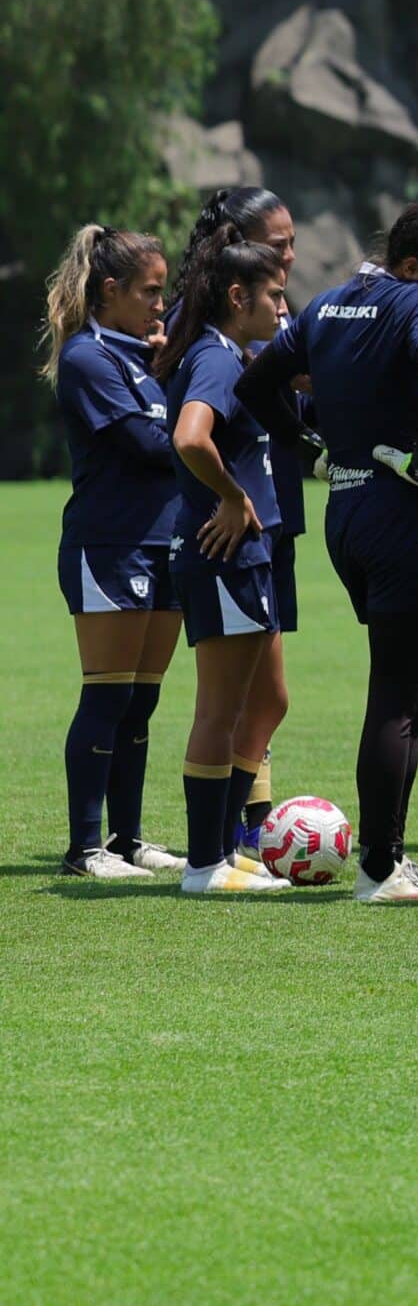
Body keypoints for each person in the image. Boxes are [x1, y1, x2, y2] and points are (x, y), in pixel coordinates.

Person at [245, 188, 418, 903]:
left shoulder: (325, 305)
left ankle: (389, 857)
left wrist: (309, 449)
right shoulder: (417, 302)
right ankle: (380, 868)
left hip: (347, 512)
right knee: (397, 694)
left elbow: (258, 382)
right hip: (400, 515)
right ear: (416, 263)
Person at [44, 225, 187, 880]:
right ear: (111, 290)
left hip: (163, 544)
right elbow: (153, 449)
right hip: (110, 546)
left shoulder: (138, 356)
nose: (161, 305)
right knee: (105, 697)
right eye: (151, 292)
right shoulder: (88, 358)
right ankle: (84, 848)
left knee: (141, 701)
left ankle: (127, 840)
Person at [158, 239, 293, 895]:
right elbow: (190, 436)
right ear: (238, 298)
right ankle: (204, 864)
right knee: (220, 707)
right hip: (224, 554)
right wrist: (233, 498)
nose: (283, 305)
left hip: (248, 556)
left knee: (267, 699)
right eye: (273, 294)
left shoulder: (234, 355)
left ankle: (220, 848)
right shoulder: (214, 356)